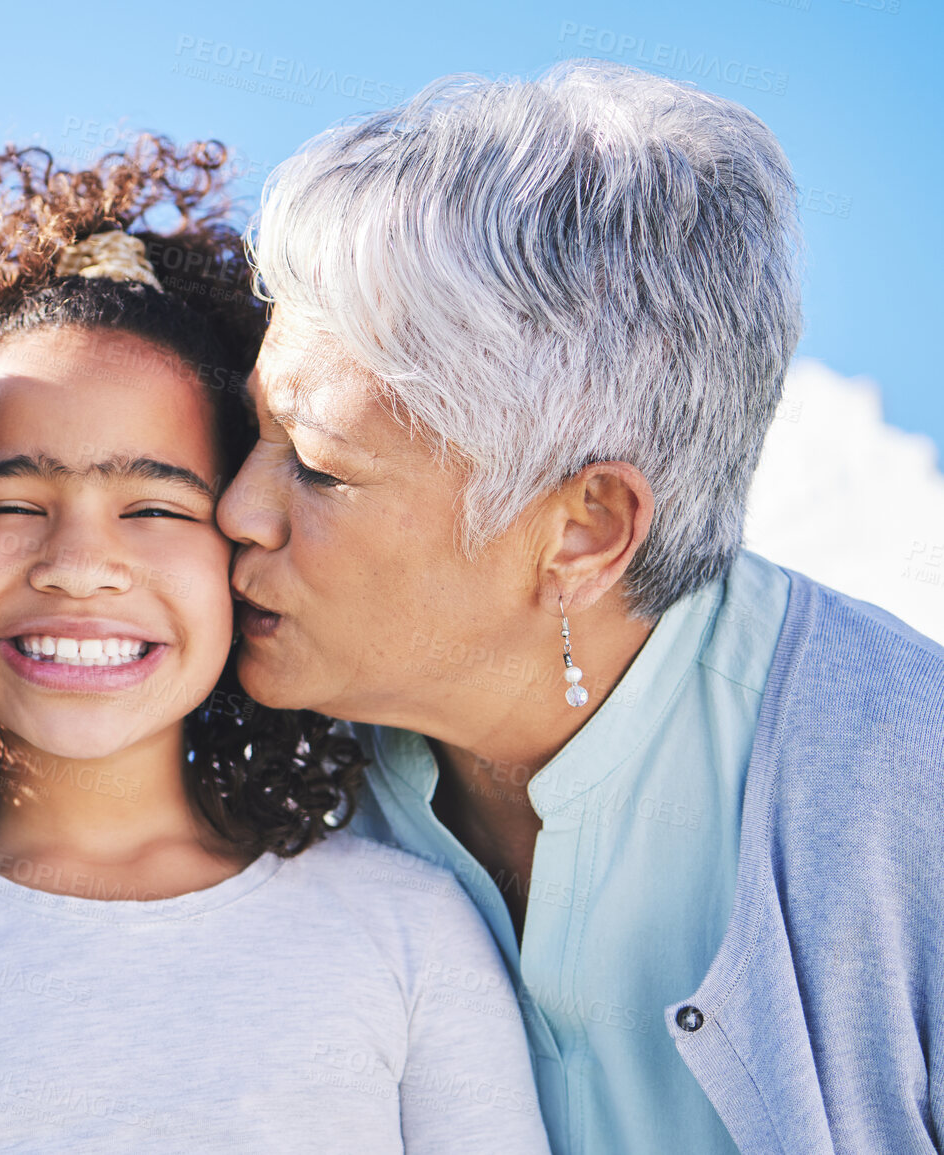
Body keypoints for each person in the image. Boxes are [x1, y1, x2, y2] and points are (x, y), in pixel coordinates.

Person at [0, 138, 550, 1154]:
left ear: (241, 533)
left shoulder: (412, 931)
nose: (78, 564)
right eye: (12, 501)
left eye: (153, 506)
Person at [219, 60, 944, 1155]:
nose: (236, 508)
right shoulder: (253, 774)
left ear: (585, 530)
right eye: (252, 438)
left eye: (317, 468)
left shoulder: (909, 782)